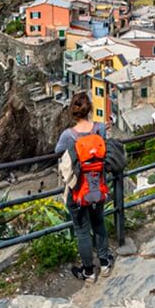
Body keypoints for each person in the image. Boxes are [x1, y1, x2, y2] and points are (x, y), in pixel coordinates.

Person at [56, 92, 113, 282]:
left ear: (73, 111)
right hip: (98, 186)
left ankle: (89, 272)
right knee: (99, 223)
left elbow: (57, 152)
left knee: (82, 231)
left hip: (78, 190)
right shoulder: (99, 129)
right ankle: (104, 263)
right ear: (89, 109)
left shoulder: (68, 135)